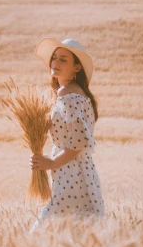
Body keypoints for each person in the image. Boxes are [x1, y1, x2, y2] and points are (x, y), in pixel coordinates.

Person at [29, 37, 105, 232]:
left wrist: (51, 163)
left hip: (71, 172)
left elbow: (78, 143)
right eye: (54, 58)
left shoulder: (68, 95)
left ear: (77, 68)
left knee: (43, 231)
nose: (55, 63)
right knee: (77, 232)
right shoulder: (72, 93)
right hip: (78, 170)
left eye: (63, 60)